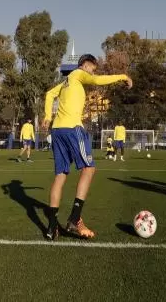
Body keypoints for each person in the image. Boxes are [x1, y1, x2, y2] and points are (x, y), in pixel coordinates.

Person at [42, 53, 131, 240]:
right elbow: (98, 80)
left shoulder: (67, 81)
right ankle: (75, 218)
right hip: (72, 128)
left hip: (57, 130)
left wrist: (47, 117)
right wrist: (122, 76)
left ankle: (51, 227)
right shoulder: (78, 73)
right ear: (85, 64)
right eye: (92, 67)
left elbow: (49, 94)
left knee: (60, 176)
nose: (93, 72)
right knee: (89, 169)